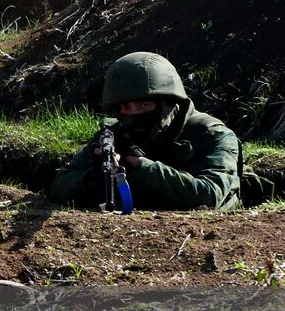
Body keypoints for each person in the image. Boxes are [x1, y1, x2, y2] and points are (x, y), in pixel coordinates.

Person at [48, 52, 241, 211]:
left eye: (144, 104)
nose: (134, 114)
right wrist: (94, 177)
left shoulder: (212, 134)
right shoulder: (114, 135)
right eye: (125, 107)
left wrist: (141, 168)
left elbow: (209, 196)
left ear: (167, 103)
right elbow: (59, 187)